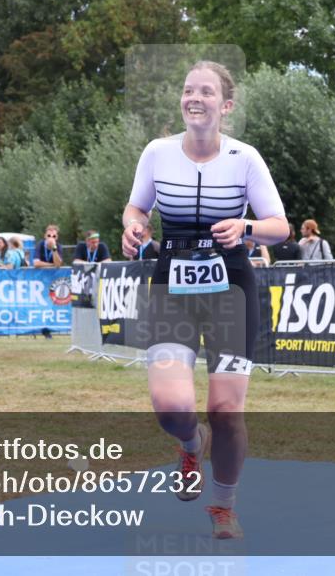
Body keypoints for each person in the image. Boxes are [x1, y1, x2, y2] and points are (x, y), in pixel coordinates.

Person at [121, 60, 288, 540]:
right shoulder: (157, 152)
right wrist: (134, 227)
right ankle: (192, 444)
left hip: (230, 287)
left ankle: (222, 506)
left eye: (207, 92)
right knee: (170, 405)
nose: (195, 98)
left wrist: (247, 228)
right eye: (188, 90)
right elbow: (136, 207)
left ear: (226, 105)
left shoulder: (245, 158)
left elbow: (279, 227)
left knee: (226, 409)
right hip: (171, 284)